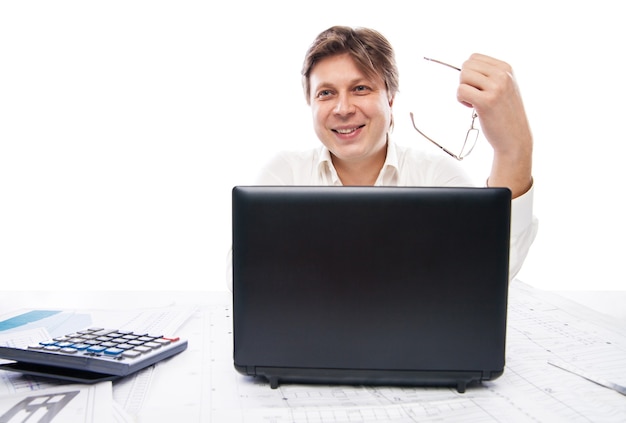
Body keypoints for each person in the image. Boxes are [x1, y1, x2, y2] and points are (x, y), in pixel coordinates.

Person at [251, 25, 538, 281]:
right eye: (325, 93)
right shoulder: (284, 175)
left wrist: (514, 150)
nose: (343, 109)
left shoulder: (436, 178)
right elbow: (245, 278)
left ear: (390, 97)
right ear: (310, 104)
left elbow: (487, 272)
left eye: (360, 88)